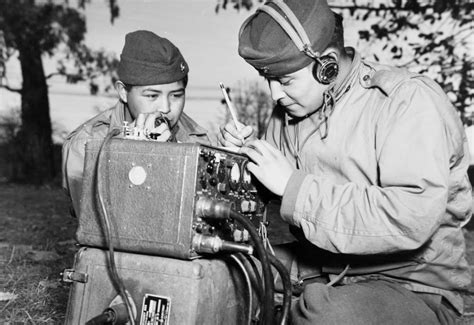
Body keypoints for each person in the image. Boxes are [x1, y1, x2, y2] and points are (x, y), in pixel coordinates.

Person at [218, 0, 472, 323]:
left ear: (328, 66)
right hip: (320, 272)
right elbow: (266, 196)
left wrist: (295, 187)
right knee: (221, 272)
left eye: (284, 80)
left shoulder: (405, 102)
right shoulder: (290, 113)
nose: (274, 94)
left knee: (324, 316)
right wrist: (243, 160)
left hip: (412, 285)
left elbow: (411, 217)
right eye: (266, 78)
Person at [62, 30, 210, 216]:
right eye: (152, 96)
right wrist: (126, 157)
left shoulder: (195, 137)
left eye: (176, 95)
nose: (165, 107)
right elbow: (91, 221)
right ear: (123, 92)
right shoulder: (87, 143)